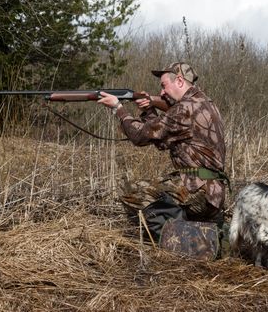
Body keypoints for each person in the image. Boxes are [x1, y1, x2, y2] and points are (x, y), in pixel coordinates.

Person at [97, 62, 228, 239]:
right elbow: (162, 140)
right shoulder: (206, 104)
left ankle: (182, 240)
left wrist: (118, 109)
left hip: (198, 190)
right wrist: (149, 110)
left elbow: (140, 136)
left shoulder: (184, 109)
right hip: (213, 191)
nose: (161, 93)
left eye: (164, 85)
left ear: (180, 81)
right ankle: (200, 231)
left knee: (131, 192)